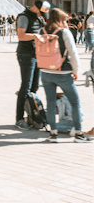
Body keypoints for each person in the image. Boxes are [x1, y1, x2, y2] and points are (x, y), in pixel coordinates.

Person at [40, 8, 92, 143]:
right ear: (61, 20)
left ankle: (53, 134)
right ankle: (79, 134)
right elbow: (73, 54)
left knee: (50, 103)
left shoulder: (41, 31)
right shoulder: (64, 32)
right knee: (75, 102)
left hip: (45, 72)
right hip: (63, 72)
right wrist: (76, 71)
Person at [15, 0, 50, 130]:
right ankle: (19, 118)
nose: (42, 16)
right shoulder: (24, 17)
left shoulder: (38, 18)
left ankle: (30, 115)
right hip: (25, 54)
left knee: (34, 87)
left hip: (36, 54)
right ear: (35, 7)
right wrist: (35, 36)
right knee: (25, 86)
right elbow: (20, 35)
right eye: (41, 13)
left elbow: (43, 31)